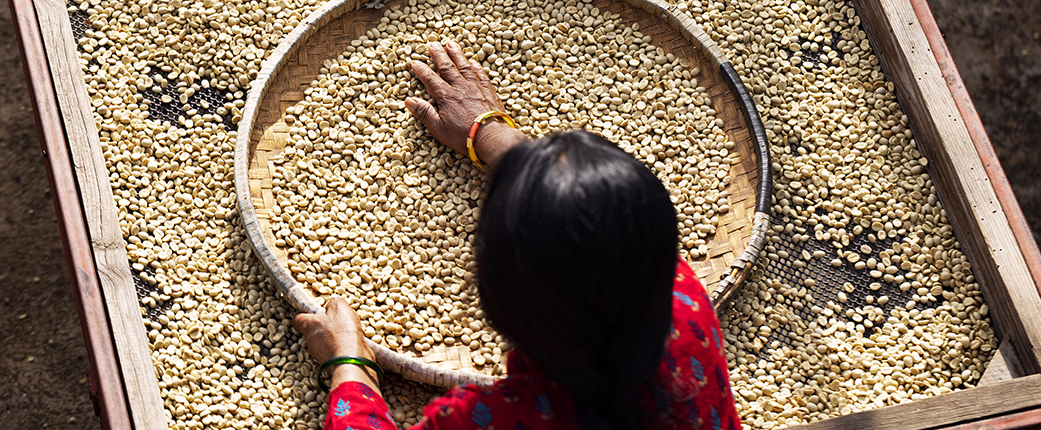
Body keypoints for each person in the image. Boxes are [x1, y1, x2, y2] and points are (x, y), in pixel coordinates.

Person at [293, 40, 741, 430]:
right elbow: (593, 231)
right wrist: (487, 131)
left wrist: (350, 363)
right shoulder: (683, 306)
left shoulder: (497, 419)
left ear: (496, 301)